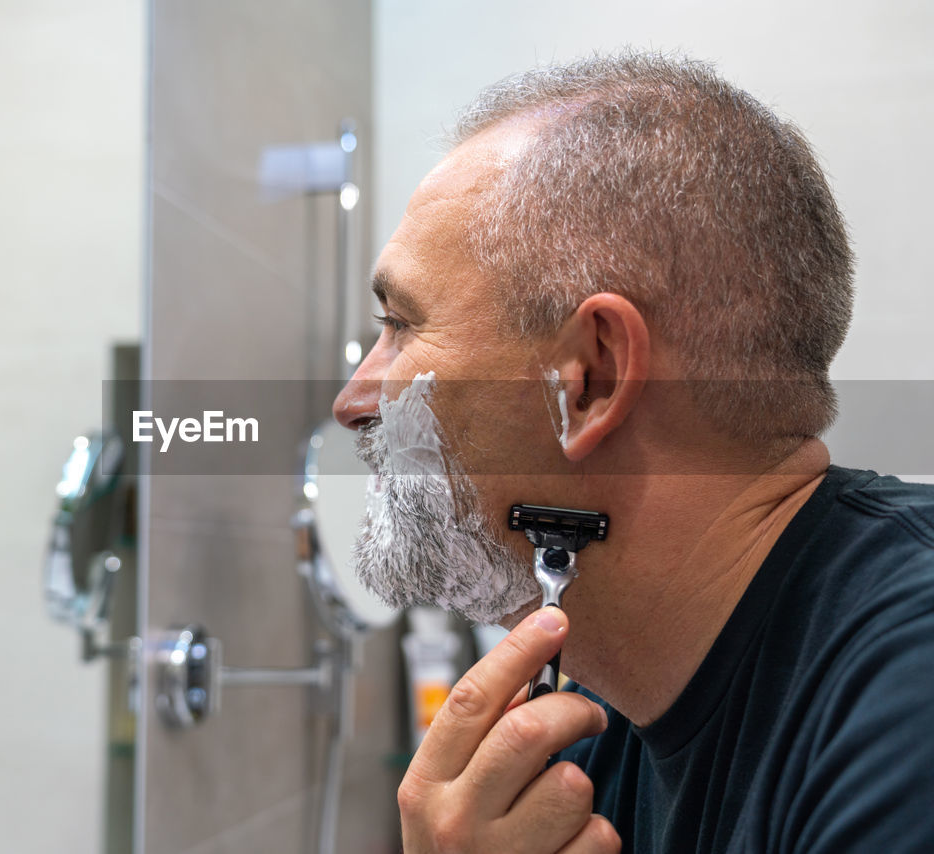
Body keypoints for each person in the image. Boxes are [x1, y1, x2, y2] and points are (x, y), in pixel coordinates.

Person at [332, 52, 934, 853]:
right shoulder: (590, 729)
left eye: (401, 325)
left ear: (590, 378)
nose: (352, 402)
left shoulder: (906, 700)